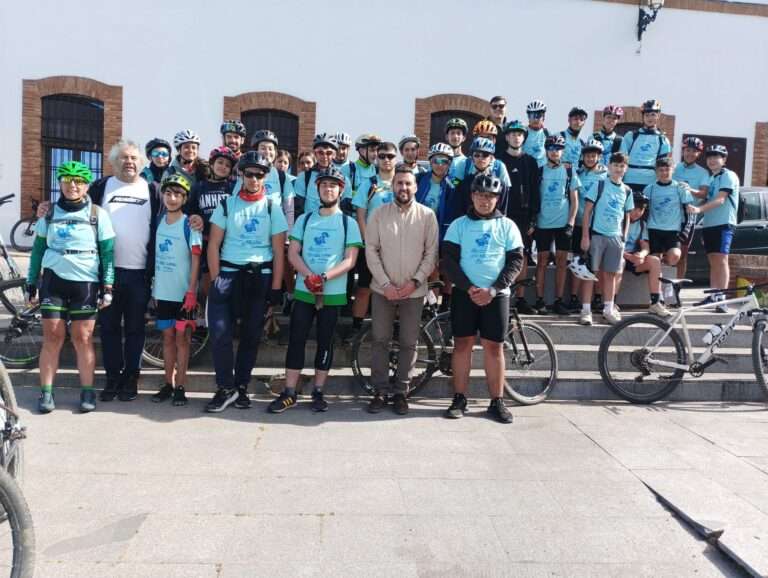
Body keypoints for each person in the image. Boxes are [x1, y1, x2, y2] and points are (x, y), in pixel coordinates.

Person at [268, 167, 362, 413]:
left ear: (340, 190)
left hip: (333, 291)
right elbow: (292, 252)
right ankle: (289, 392)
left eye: (332, 186)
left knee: (325, 341)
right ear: (317, 190)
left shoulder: (348, 222)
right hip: (304, 290)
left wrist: (324, 277)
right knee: (297, 339)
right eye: (323, 186)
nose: (328, 189)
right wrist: (310, 276)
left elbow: (350, 260)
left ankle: (318, 391)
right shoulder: (305, 219)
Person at [26, 161, 115, 413]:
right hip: (53, 281)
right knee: (52, 337)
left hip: (85, 282)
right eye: (67, 180)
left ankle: (87, 392)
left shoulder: (98, 214)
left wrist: (108, 286)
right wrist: (31, 282)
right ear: (60, 183)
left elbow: (108, 254)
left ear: (87, 185)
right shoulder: (50, 213)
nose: (72, 185)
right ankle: (46, 393)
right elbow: (37, 250)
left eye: (78, 181)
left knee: (83, 338)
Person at [205, 151, 287, 412]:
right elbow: (214, 244)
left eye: (259, 174)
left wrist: (276, 288)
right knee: (219, 333)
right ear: (241, 174)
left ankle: (240, 387)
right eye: (249, 173)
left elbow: (278, 252)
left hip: (258, 277)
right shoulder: (227, 204)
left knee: (251, 336)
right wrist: (217, 277)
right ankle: (225, 387)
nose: (253, 178)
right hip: (228, 275)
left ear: (265, 177)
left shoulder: (273, 207)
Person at [441, 174, 523, 424]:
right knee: (462, 345)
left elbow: (516, 261)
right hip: (465, 294)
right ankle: (459, 398)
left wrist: (494, 289)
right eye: (480, 195)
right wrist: (470, 288)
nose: (484, 200)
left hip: (496, 296)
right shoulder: (458, 225)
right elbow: (448, 262)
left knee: (494, 347)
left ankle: (497, 401)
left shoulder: (508, 225)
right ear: (472, 196)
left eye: (490, 196)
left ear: (497, 198)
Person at [365, 165, 438, 415]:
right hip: (382, 290)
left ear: (415, 186)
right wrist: (385, 283)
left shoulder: (428, 216)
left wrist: (415, 282)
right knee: (380, 341)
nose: (403, 188)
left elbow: (431, 254)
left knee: (408, 342)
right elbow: (371, 250)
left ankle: (401, 392)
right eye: (399, 183)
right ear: (392, 185)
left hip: (413, 291)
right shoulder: (378, 214)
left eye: (408, 183)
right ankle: (379, 391)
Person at [150, 175, 202, 407]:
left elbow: (196, 259)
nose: (172, 198)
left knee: (183, 340)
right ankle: (168, 384)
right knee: (167, 338)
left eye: (178, 194)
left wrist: (191, 291)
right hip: (163, 292)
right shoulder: (159, 220)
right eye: (168, 193)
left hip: (183, 294)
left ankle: (181, 386)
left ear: (185, 198)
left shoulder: (189, 224)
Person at [580, 152, 634, 325]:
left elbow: (627, 215)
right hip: (597, 235)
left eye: (622, 166)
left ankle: (608, 309)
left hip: (615, 237)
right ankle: (586, 310)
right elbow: (587, 211)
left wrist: (624, 237)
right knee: (590, 274)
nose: (618, 169)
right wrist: (585, 236)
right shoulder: (600, 184)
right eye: (615, 165)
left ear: (626, 169)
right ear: (609, 166)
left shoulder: (627, 190)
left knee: (611, 274)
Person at [350, 141, 398, 333]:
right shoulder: (369, 184)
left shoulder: (402, 182)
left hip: (396, 247)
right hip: (372, 246)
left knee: (396, 289)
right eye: (382, 156)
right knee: (364, 288)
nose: (386, 160)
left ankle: (394, 329)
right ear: (376, 158)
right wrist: (367, 241)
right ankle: (356, 328)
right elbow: (360, 215)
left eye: (390, 156)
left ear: (396, 159)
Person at [685, 144, 740, 313]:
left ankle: (722, 298)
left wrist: (699, 210)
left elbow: (720, 199)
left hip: (724, 223)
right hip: (710, 224)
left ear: (724, 160)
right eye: (709, 157)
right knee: (713, 261)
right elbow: (704, 197)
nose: (712, 160)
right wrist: (689, 190)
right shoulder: (712, 178)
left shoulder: (728, 175)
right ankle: (714, 295)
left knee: (721, 260)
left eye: (717, 157)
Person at [531, 134, 580, 315]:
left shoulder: (569, 170)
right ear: (546, 151)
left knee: (561, 262)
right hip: (543, 223)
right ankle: (539, 300)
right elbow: (535, 197)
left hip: (562, 224)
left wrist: (571, 223)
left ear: (562, 151)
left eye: (558, 149)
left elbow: (574, 200)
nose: (554, 152)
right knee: (541, 262)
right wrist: (534, 221)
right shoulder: (540, 171)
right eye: (551, 149)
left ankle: (559, 300)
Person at [496, 120, 540, 314]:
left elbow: (535, 190)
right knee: (500, 255)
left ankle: (520, 298)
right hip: (502, 215)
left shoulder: (530, 161)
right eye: (512, 134)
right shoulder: (498, 160)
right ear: (506, 137)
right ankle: (500, 293)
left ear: (524, 137)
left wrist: (533, 218)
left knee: (520, 256)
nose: (516, 137)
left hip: (523, 217)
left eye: (520, 134)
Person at [186, 146, 237, 299]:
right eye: (220, 162)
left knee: (227, 278)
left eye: (228, 165)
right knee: (207, 280)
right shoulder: (199, 187)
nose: (223, 167)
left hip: (227, 241)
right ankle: (207, 310)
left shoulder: (232, 188)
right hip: (206, 240)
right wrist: (196, 217)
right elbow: (190, 211)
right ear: (212, 164)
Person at [615, 191, 671, 319]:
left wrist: (641, 254)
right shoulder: (619, 220)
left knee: (654, 260)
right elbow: (614, 245)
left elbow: (645, 246)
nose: (637, 212)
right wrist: (628, 256)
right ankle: (612, 302)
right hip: (618, 255)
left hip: (634, 259)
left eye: (641, 209)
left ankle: (655, 302)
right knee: (620, 262)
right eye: (635, 208)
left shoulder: (642, 224)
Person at [572, 138, 608, 313]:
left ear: (599, 157)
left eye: (593, 156)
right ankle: (573, 298)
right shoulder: (577, 173)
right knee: (579, 261)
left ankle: (598, 297)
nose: (590, 159)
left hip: (597, 225)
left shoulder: (605, 175)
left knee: (597, 263)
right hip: (579, 223)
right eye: (587, 156)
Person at [644, 157, 695, 271]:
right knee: (654, 261)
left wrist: (685, 232)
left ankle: (666, 283)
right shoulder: (649, 189)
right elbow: (643, 211)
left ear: (673, 170)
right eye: (661, 170)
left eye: (667, 169)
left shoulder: (680, 188)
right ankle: (656, 286)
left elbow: (690, 212)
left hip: (672, 230)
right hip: (653, 229)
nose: (664, 173)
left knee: (675, 256)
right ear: (656, 171)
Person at [673, 136, 710, 279]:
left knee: (682, 254)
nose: (690, 153)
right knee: (666, 252)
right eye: (688, 150)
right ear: (683, 151)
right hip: (670, 214)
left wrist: (690, 189)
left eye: (694, 151)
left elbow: (703, 194)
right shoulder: (674, 167)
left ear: (698, 154)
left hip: (688, 215)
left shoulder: (703, 172)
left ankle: (677, 288)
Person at [620, 100, 671, 193]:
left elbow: (663, 165)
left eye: (653, 114)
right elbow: (622, 159)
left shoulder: (663, 140)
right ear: (643, 117)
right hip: (629, 180)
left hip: (650, 182)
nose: (649, 118)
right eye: (647, 115)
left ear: (658, 116)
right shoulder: (631, 135)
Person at [295, 134, 351, 217]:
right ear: (315, 154)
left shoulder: (344, 179)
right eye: (320, 152)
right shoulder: (303, 177)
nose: (324, 156)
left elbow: (346, 210)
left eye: (329, 153)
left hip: (334, 226)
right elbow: (298, 209)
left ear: (334, 154)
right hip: (310, 226)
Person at [522, 100, 549, 168]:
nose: (535, 119)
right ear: (528, 117)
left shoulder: (547, 134)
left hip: (542, 171)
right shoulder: (523, 132)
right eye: (532, 115)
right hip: (527, 169)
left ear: (543, 117)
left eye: (538, 115)